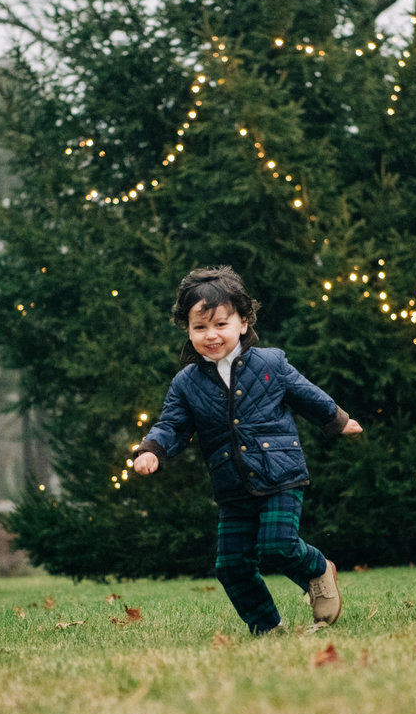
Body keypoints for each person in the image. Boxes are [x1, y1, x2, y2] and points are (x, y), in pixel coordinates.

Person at [132, 266, 363, 634]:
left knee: (278, 544)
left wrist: (336, 419)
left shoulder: (271, 363)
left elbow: (305, 394)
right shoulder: (186, 383)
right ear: (187, 330)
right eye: (200, 327)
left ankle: (318, 569)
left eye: (221, 324)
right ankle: (267, 626)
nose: (211, 335)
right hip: (232, 487)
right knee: (231, 566)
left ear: (243, 322)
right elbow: (172, 425)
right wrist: (153, 451)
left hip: (281, 473)